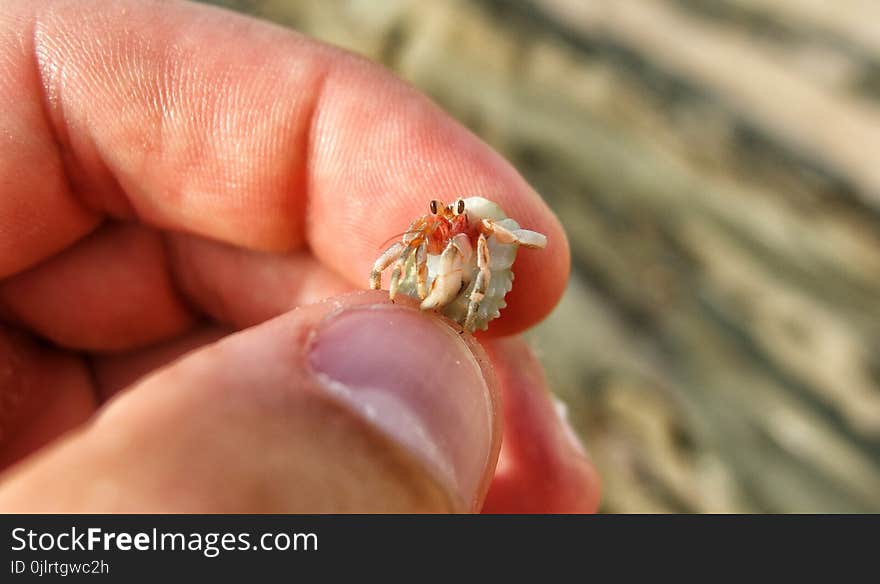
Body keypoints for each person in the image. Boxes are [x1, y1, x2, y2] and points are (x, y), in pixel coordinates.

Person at [0, 0, 599, 512]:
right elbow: (400, 255)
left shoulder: (475, 243)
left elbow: (506, 243)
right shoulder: (436, 236)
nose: (442, 225)